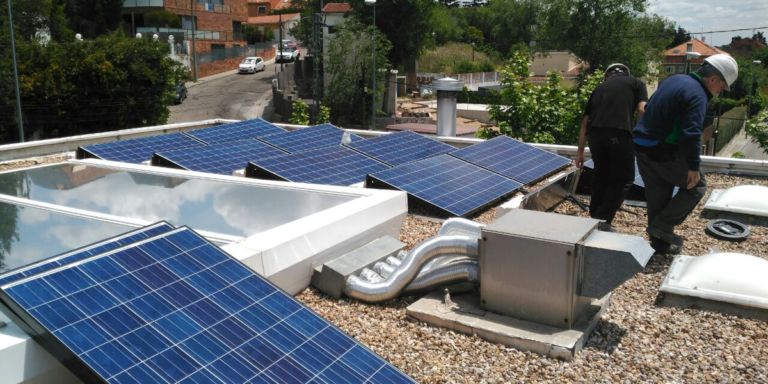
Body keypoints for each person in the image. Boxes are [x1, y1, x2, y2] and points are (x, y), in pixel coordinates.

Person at [632, 54, 738, 254]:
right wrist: (693, 167)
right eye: (722, 86)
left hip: (641, 145)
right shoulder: (698, 95)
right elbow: (691, 133)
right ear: (714, 79)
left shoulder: (674, 80)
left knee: (658, 196)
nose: (720, 91)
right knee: (696, 186)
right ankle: (661, 227)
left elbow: (648, 108)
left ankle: (659, 245)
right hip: (662, 149)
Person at [575, 63, 648, 232]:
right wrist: (638, 137)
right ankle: (603, 220)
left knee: (601, 175)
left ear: (608, 76)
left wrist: (580, 153)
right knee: (624, 178)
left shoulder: (599, 88)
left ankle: (595, 218)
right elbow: (642, 110)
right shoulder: (637, 83)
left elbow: (584, 124)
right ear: (626, 74)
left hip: (594, 135)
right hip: (618, 132)